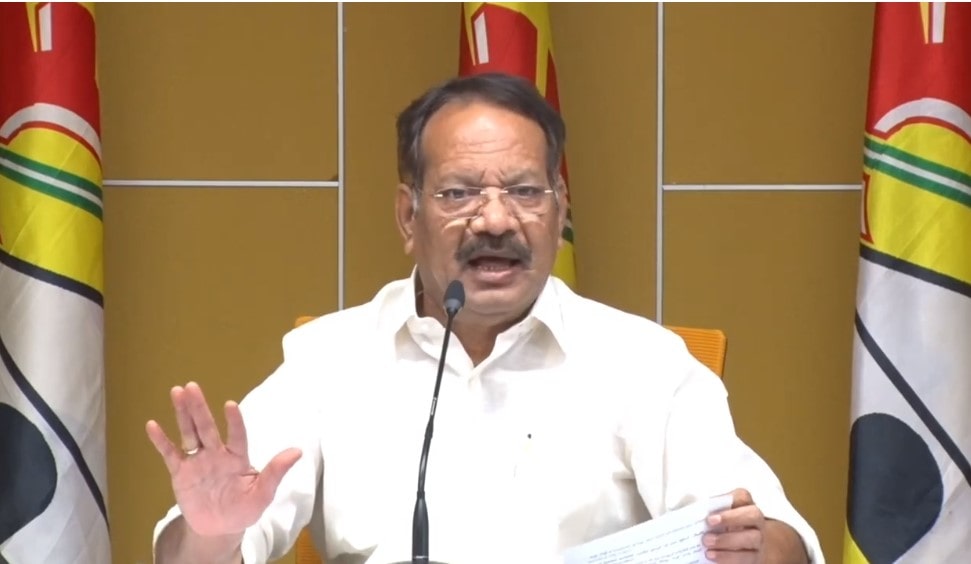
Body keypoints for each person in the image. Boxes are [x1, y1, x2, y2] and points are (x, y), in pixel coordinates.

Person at [148, 72, 823, 564]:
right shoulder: (328, 359)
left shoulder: (642, 362)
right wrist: (213, 533)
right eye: (458, 194)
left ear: (559, 210)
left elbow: (779, 540)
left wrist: (756, 549)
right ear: (408, 216)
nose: (496, 220)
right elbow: (196, 552)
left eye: (525, 191)